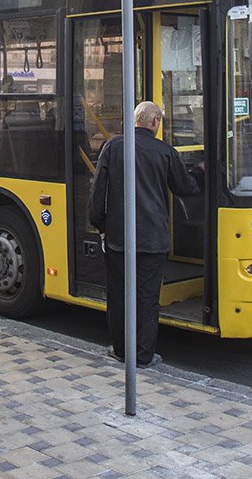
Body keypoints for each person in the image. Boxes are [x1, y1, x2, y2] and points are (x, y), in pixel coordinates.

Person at [88, 101, 204, 368]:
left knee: (118, 296)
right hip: (153, 240)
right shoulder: (165, 151)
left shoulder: (113, 147)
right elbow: (185, 188)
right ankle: (143, 355)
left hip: (118, 238)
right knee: (147, 298)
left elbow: (97, 193)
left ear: (135, 120)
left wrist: (101, 227)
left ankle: (120, 349)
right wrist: (199, 171)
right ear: (155, 122)